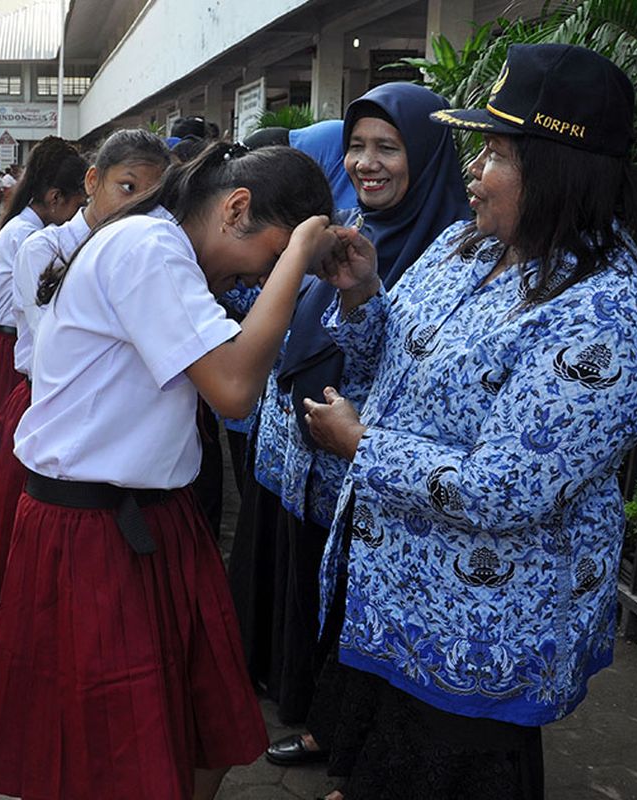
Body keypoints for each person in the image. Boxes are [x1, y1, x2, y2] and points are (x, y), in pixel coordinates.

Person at [300, 44, 637, 800]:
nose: (473, 171)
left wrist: (361, 446)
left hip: (481, 629)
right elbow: (391, 360)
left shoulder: (603, 313)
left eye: (494, 153)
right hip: (397, 589)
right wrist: (363, 294)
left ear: (559, 168)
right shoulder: (472, 243)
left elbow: (506, 488)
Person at [0, 141, 337, 799]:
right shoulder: (147, 248)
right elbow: (231, 388)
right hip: (94, 531)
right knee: (112, 756)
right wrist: (300, 257)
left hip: (147, 520)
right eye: (270, 255)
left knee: (206, 726)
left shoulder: (160, 248)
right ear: (236, 208)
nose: (260, 278)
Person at [228, 83, 471, 756]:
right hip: (292, 459)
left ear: (425, 156)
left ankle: (336, 737)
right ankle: (301, 707)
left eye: (387, 148)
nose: (368, 163)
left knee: (345, 607)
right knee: (292, 591)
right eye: (357, 146)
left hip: (362, 479)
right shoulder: (345, 228)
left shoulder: (450, 255)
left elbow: (412, 366)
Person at [0, 129, 170, 600]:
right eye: (127, 189)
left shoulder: (140, 246)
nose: (136, 207)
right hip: (48, 396)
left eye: (152, 197)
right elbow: (49, 340)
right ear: (91, 183)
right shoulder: (43, 246)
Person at [0, 137, 87, 474]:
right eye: (79, 205)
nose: (80, 216)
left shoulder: (33, 227)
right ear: (55, 198)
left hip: (10, 347)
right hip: (12, 352)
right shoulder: (30, 237)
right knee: (8, 461)